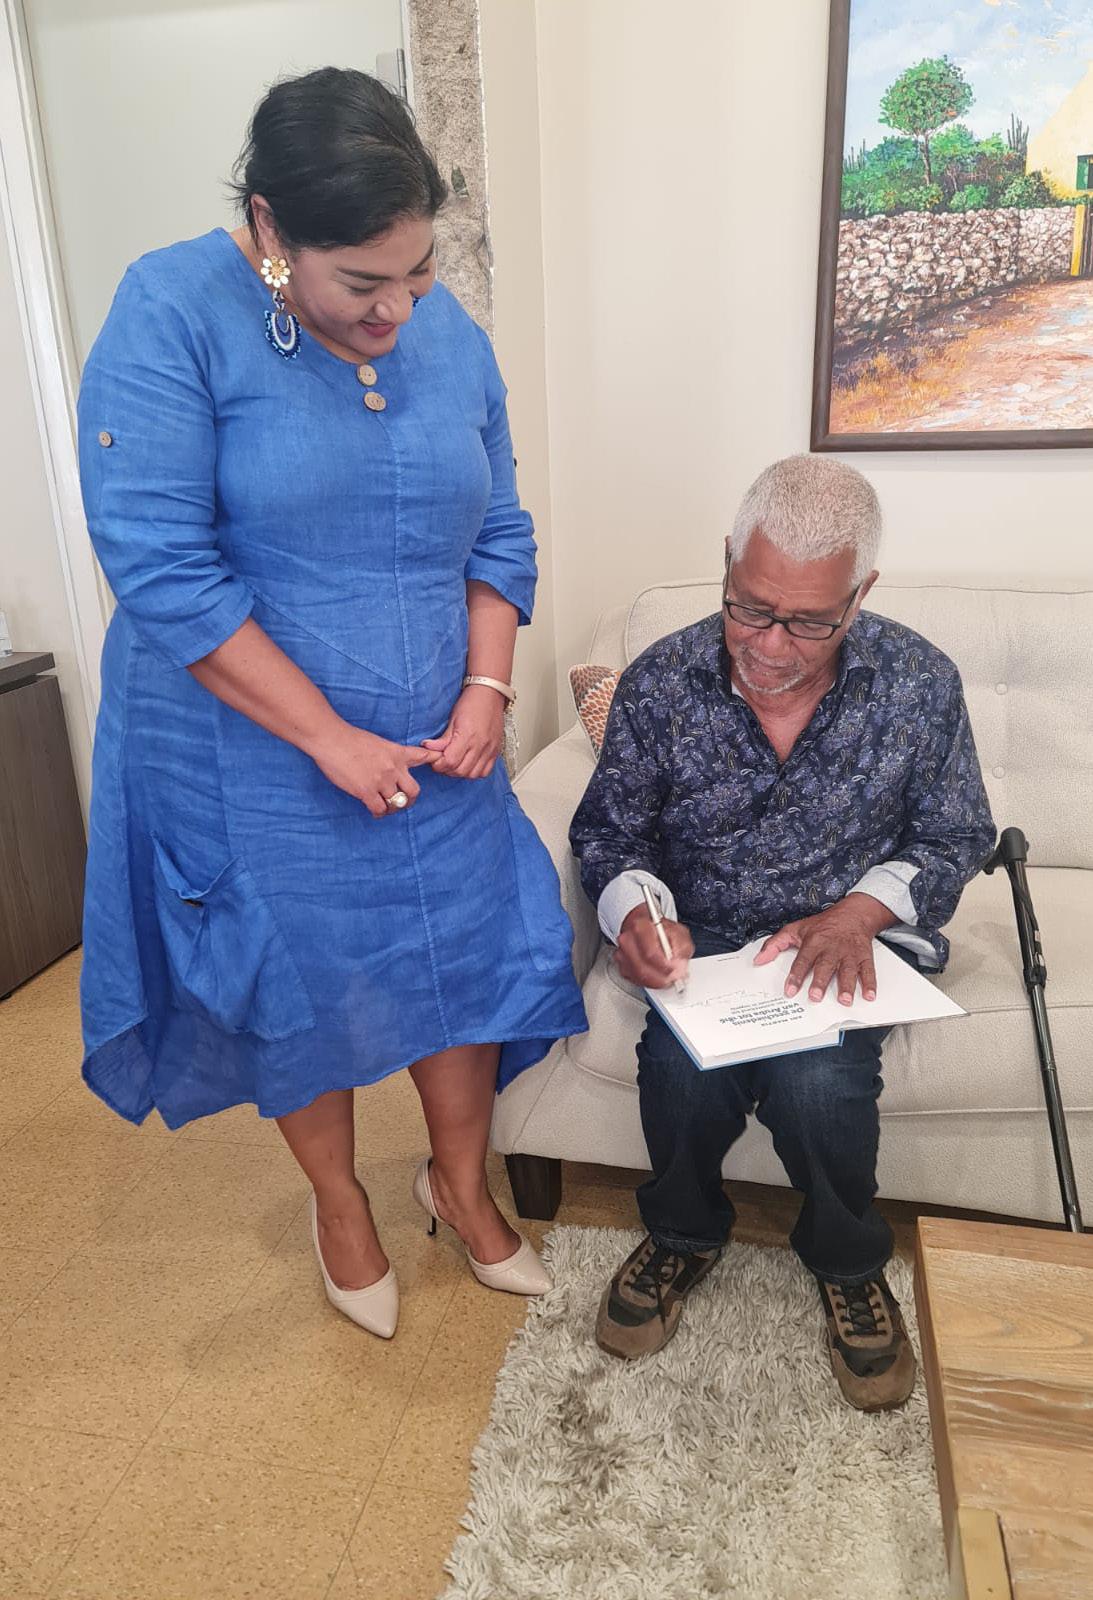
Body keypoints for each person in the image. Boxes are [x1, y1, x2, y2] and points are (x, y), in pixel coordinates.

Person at [77, 68, 586, 1341]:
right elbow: (160, 566)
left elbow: (500, 528)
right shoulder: (170, 311)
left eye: (417, 272)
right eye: (362, 282)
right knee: (300, 974)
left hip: (439, 741)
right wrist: (327, 737)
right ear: (269, 230)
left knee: (468, 954)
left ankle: (459, 1186)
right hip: (250, 751)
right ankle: (339, 1202)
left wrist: (486, 689)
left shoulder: (444, 330)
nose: (397, 310)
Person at [569, 454, 994, 1409]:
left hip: (845, 940)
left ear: (860, 595)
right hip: (708, 938)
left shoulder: (918, 682)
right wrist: (635, 912)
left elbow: (955, 834)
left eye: (807, 621)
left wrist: (860, 912)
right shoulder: (661, 680)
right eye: (749, 608)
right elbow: (609, 832)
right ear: (728, 560)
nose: (768, 645)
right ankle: (682, 1233)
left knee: (817, 1089)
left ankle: (847, 1260)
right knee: (678, 1074)